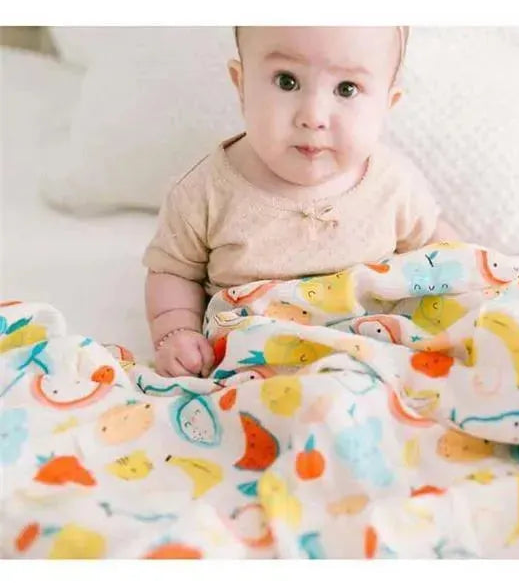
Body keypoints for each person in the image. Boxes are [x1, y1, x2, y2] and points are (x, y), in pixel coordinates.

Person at [143, 26, 456, 378]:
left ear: (387, 103)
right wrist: (176, 332)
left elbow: (441, 250)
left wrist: (478, 287)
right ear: (241, 85)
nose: (313, 116)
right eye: (287, 81)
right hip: (255, 363)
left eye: (346, 89)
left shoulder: (393, 185)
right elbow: (173, 271)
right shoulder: (205, 192)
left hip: (373, 356)